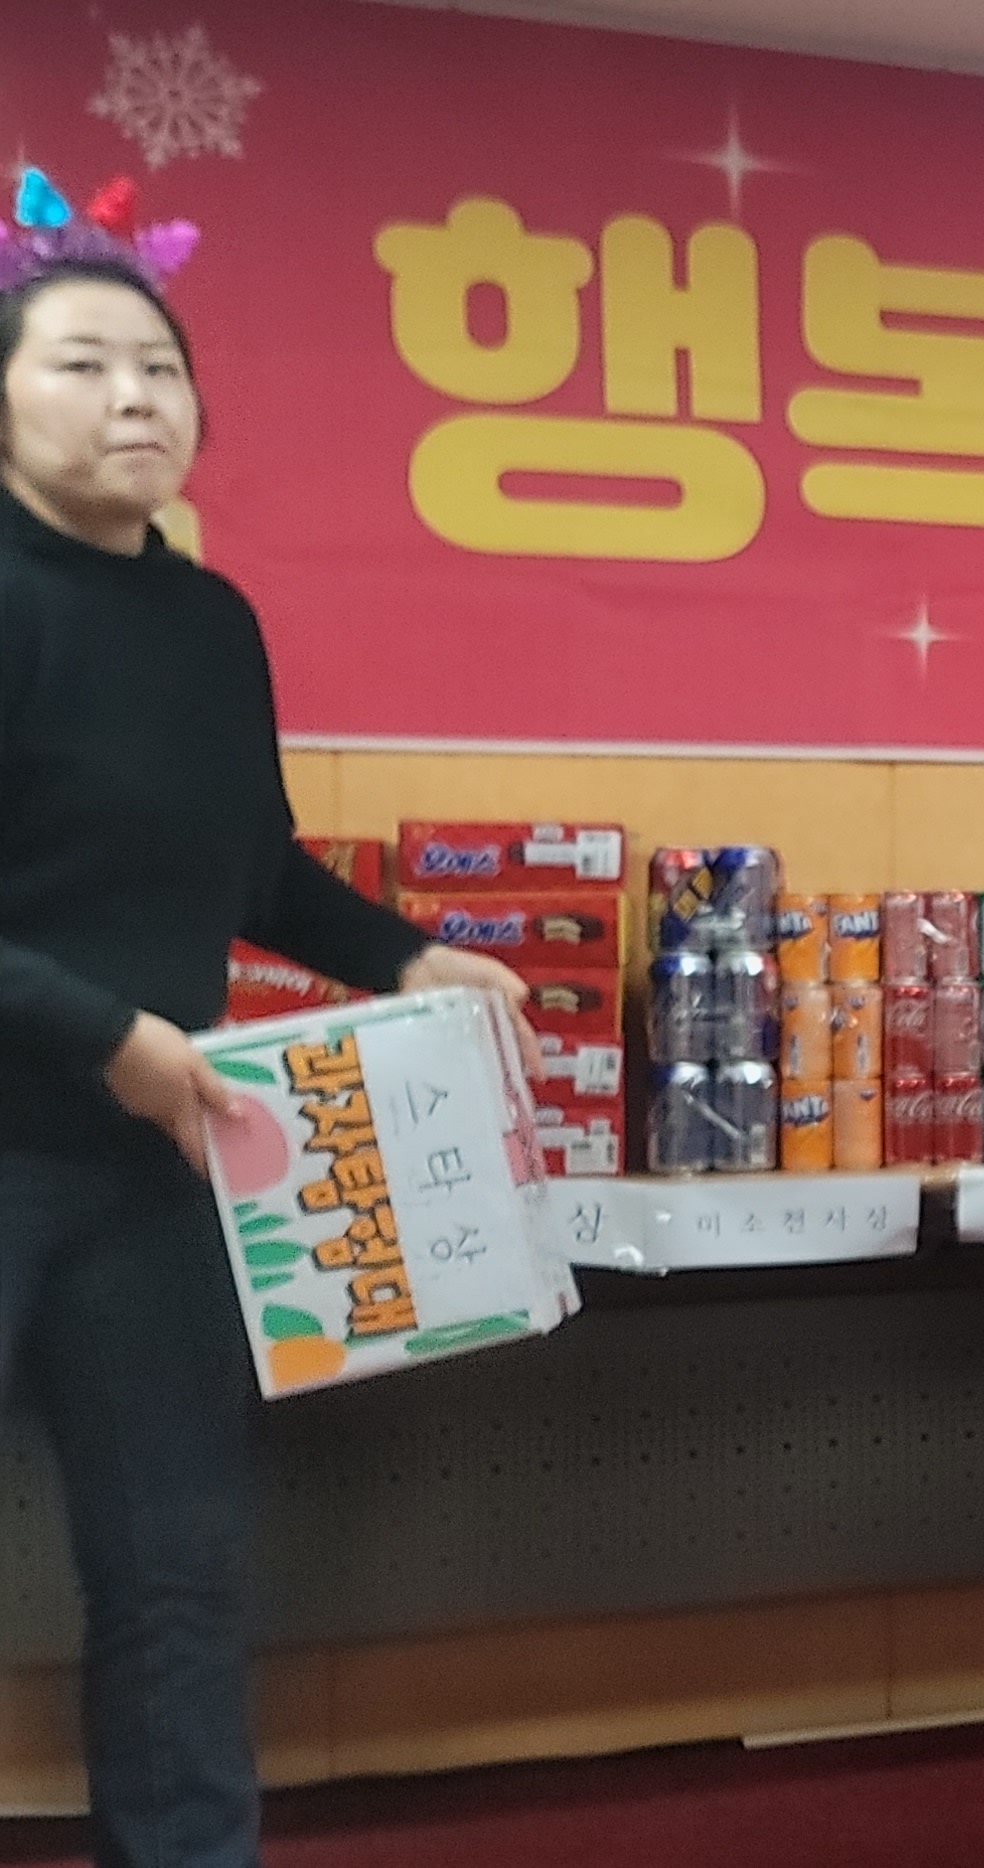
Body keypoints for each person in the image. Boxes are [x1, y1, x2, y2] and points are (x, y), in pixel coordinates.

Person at [0, 224, 530, 1864]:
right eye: (82, 365)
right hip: (44, 1121)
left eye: (161, 369)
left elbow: (255, 868)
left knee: (176, 1573)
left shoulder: (212, 621)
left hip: (158, 1162)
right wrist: (110, 1035)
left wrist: (410, 955)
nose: (133, 397)